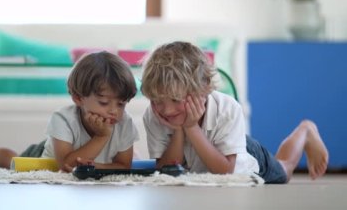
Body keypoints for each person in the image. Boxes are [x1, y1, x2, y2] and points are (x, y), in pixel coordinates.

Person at [141, 41, 329, 183]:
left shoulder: (227, 110)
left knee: (284, 171)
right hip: (210, 154)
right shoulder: (155, 115)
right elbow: (166, 170)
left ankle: (305, 130)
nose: (166, 110)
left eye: (175, 100)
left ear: (204, 89)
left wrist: (191, 127)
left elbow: (225, 172)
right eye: (157, 101)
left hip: (241, 155)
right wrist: (179, 129)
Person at [0, 51, 139, 172]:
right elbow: (66, 164)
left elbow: (124, 166)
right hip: (49, 157)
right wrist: (101, 136)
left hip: (75, 156)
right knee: (13, 161)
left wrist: (95, 168)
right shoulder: (63, 119)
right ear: (78, 98)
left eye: (121, 104)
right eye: (104, 102)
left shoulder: (125, 123)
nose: (114, 111)